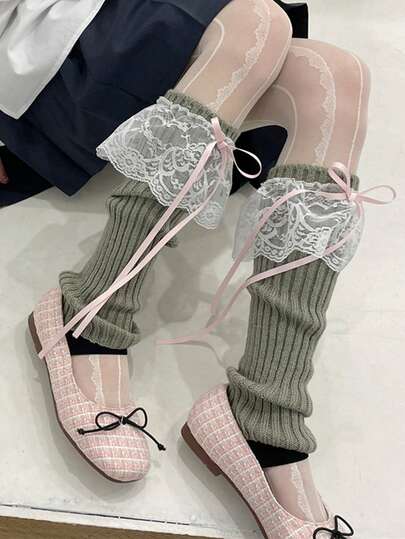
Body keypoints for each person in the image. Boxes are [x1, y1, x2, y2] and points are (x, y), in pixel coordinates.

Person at [9, 1, 391, 537]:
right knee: (259, 21)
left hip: (146, 27)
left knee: (338, 75)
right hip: (43, 40)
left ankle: (267, 409)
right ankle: (93, 309)